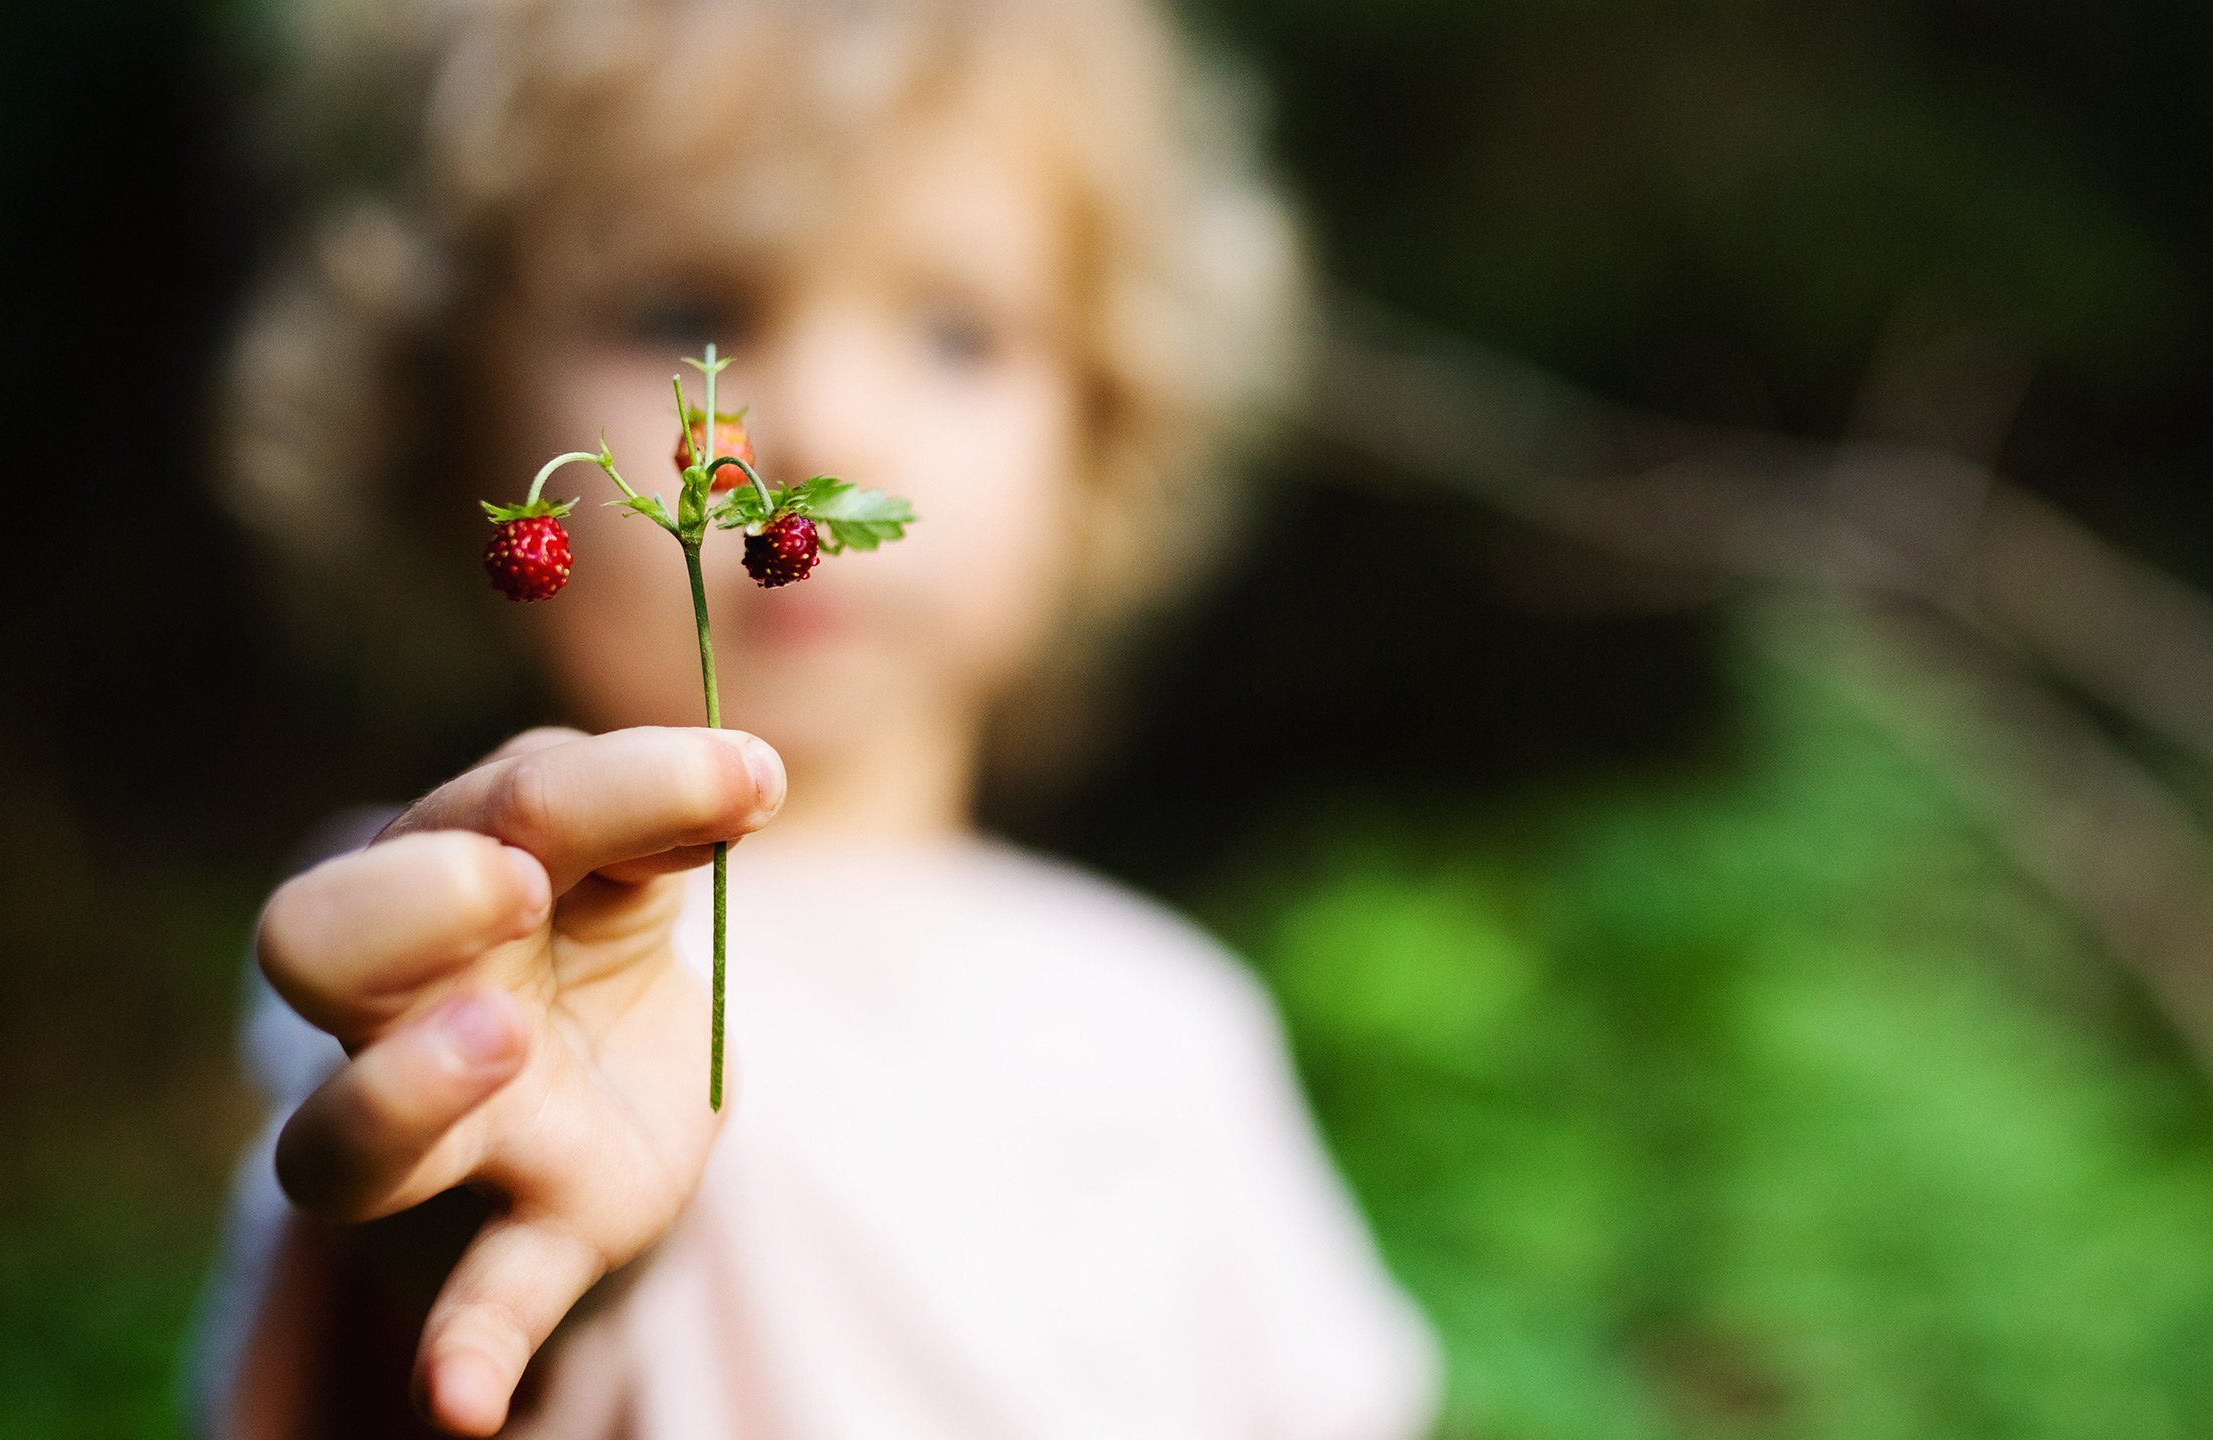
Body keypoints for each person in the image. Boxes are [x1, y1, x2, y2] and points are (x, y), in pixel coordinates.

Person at [185, 0, 1438, 1434]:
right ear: (435, 400)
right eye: (688, 314)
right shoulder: (469, 942)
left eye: (958, 332)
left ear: (1107, 422)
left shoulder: (1178, 1025)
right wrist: (465, 1217)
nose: (823, 433)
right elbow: (387, 1353)